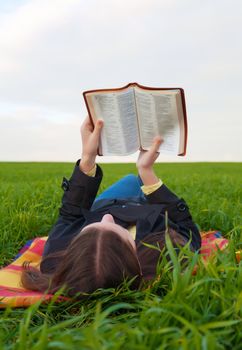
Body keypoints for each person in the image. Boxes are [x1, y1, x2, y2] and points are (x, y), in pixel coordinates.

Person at [21, 117, 201, 296]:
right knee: (136, 180)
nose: (107, 218)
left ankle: (136, 183)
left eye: (90, 229)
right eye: (114, 228)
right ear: (133, 256)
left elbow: (70, 214)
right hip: (144, 209)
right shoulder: (160, 257)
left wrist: (87, 158)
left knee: (130, 181)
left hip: (108, 203)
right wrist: (146, 172)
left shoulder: (55, 260)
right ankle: (141, 181)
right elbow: (188, 231)